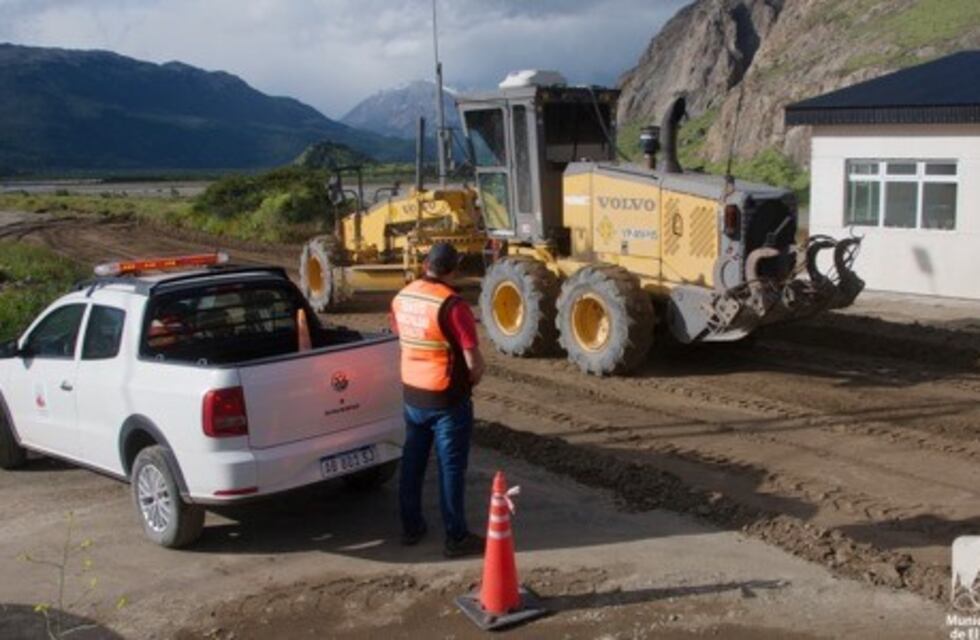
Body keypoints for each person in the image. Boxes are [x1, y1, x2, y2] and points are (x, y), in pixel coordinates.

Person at [391, 242, 486, 558]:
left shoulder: (402, 297)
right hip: (447, 399)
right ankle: (456, 537)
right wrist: (472, 378)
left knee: (413, 462)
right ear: (453, 269)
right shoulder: (453, 305)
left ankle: (409, 527)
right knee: (451, 468)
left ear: (425, 265)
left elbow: (401, 335)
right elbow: (473, 361)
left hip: (412, 395)